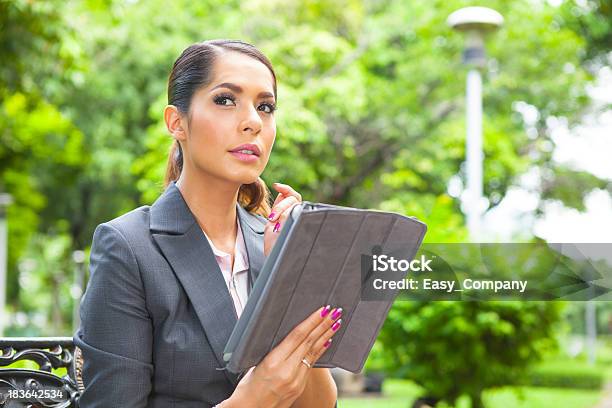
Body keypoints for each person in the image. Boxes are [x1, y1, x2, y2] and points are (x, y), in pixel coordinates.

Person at [74, 39, 341, 408]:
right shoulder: (129, 248)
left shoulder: (272, 242)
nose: (252, 122)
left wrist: (289, 275)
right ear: (177, 122)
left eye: (265, 107)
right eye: (226, 100)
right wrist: (251, 401)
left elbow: (319, 404)